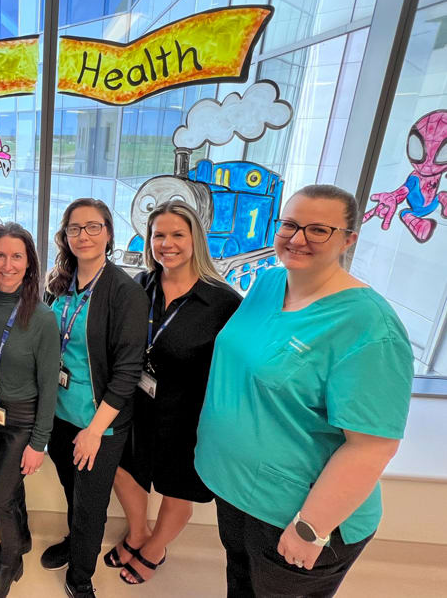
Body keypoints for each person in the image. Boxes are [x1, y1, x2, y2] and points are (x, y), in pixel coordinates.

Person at [195, 185, 414, 597]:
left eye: (318, 230)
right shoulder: (268, 284)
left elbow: (371, 447)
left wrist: (311, 528)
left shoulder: (369, 326)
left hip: (298, 515)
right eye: (290, 225)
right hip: (239, 493)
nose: (297, 239)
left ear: (349, 239)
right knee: (241, 585)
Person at [105, 201, 241, 585]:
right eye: (158, 235)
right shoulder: (140, 286)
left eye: (177, 234)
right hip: (136, 406)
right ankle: (137, 533)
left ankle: (155, 548)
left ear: (196, 239)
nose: (167, 243)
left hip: (188, 417)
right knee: (123, 469)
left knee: (176, 488)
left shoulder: (224, 302)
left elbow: (236, 368)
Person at [41, 198, 149, 598]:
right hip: (60, 414)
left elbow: (126, 373)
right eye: (74, 228)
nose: (82, 236)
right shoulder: (59, 284)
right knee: (72, 491)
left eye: (92, 227)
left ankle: (80, 578)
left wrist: (94, 431)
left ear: (108, 232)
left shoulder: (125, 293)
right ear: (65, 236)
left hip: (98, 422)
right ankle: (74, 543)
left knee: (90, 504)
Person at [0, 223, 61, 598]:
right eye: (0, 255)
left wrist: (39, 442)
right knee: (10, 491)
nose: (7, 265)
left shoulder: (41, 317)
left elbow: (48, 386)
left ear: (29, 264)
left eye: (16, 256)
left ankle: (11, 563)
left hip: (24, 420)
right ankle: (21, 538)